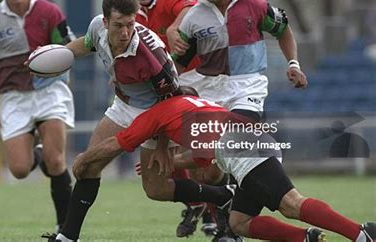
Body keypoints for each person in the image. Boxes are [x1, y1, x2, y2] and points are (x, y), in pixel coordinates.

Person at [49, 0, 235, 242]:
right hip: (124, 106)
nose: (126, 32)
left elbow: (172, 101)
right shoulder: (96, 28)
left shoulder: (152, 57)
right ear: (105, 22)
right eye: (119, 25)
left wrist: (162, 146)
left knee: (156, 189)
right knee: (88, 167)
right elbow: (83, 45)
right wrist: (54, 57)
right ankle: (68, 237)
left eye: (130, 25)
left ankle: (222, 195)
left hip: (157, 114)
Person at [72, 92, 376, 242]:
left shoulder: (157, 112)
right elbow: (204, 157)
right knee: (239, 223)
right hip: (249, 141)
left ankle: (361, 234)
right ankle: (305, 238)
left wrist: (86, 159)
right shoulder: (196, 106)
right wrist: (176, 160)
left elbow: (118, 143)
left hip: (241, 147)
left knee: (291, 204)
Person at [0, 0, 75, 232]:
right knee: (18, 169)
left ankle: (65, 229)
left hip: (49, 91)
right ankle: (38, 155)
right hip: (13, 98)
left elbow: (67, 49)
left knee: (57, 161)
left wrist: (53, 64)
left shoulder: (50, 11)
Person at [128, 0, 223, 238]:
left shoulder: (178, 6)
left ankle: (214, 211)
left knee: (207, 164)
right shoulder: (138, 17)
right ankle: (201, 206)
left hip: (198, 84)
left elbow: (191, 5)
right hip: (168, 88)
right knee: (172, 154)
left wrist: (174, 28)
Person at [174, 0, 308, 123]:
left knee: (239, 131)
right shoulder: (193, 17)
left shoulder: (254, 5)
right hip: (209, 88)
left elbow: (283, 31)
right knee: (209, 145)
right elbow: (180, 61)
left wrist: (293, 64)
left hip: (247, 85)